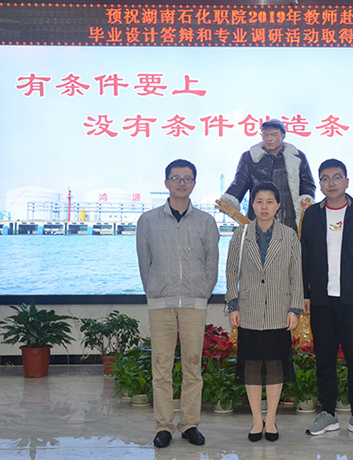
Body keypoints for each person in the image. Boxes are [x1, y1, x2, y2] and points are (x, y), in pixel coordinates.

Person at [136, 159, 220, 448]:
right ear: (166, 183)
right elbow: (144, 262)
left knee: (192, 367)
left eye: (187, 178)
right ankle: (163, 426)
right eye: (175, 178)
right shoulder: (148, 221)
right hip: (160, 302)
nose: (181, 183)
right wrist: (153, 291)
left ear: (194, 183)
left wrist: (203, 292)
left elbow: (212, 263)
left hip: (194, 303)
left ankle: (189, 424)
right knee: (161, 367)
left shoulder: (206, 221)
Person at [300, 158, 353, 439]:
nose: (331, 183)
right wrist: (305, 294)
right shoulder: (312, 215)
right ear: (320, 184)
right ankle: (328, 413)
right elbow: (305, 258)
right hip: (322, 301)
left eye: (337, 177)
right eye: (325, 178)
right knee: (324, 360)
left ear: (347, 181)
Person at [225, 181, 303, 443]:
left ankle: (271, 420)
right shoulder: (242, 234)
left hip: (279, 311)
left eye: (270, 201)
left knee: (275, 365)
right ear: (253, 205)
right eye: (259, 201)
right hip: (249, 310)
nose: (264, 207)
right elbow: (231, 272)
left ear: (278, 205)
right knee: (251, 365)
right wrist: (233, 304)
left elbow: (296, 275)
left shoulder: (288, 235)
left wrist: (295, 309)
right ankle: (256, 420)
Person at [216, 118, 316, 232]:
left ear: (283, 136)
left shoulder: (297, 157)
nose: (269, 139)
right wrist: (229, 200)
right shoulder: (249, 157)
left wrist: (306, 199)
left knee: (289, 241)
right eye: (265, 134)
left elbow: (307, 184)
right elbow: (239, 182)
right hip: (258, 218)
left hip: (289, 219)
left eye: (274, 135)